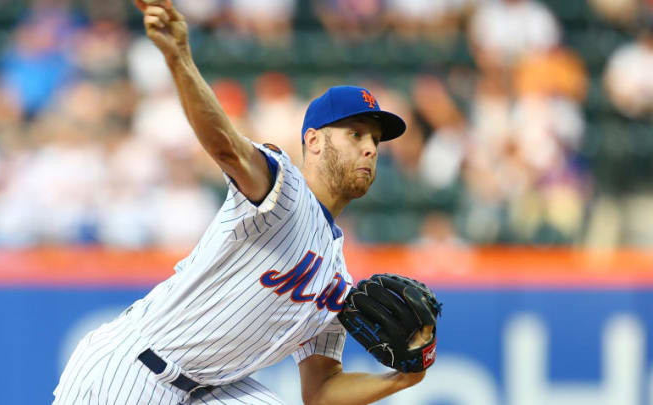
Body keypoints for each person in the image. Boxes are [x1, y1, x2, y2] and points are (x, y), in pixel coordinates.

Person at [52, 2, 432, 404]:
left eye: (375, 140)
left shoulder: (338, 283)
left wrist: (402, 380)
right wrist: (180, 59)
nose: (370, 149)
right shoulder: (283, 190)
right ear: (314, 141)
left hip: (210, 391)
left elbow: (320, 392)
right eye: (355, 134)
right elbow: (227, 149)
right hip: (134, 370)